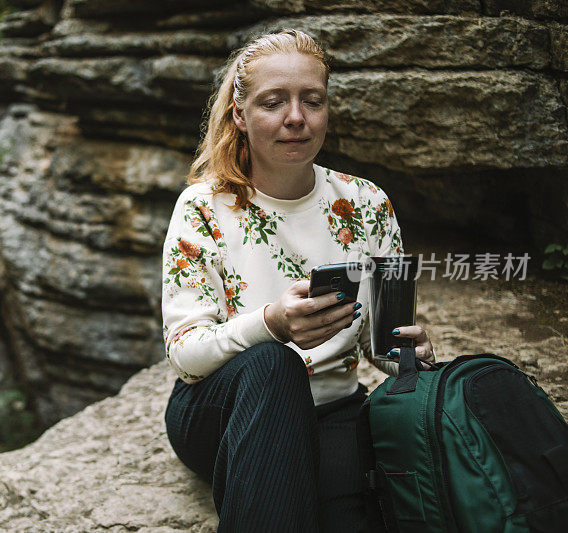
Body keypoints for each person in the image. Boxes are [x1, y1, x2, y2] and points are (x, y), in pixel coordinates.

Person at [161, 29, 437, 532]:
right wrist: (270, 324)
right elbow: (186, 353)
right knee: (273, 364)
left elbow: (385, 342)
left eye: (312, 101)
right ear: (240, 116)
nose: (296, 117)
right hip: (221, 411)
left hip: (334, 410)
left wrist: (408, 353)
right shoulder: (202, 207)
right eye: (274, 102)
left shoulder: (370, 204)